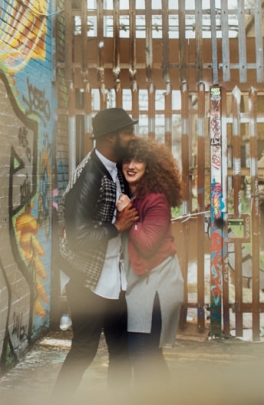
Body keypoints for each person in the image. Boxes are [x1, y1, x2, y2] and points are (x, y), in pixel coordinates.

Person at [53, 108, 140, 396]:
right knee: (84, 351)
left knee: (122, 351)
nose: (132, 137)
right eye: (127, 132)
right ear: (111, 137)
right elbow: (78, 237)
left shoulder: (113, 167)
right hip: (88, 280)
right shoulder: (90, 175)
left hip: (112, 277)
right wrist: (118, 226)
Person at [119, 137, 185, 383]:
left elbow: (147, 245)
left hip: (157, 285)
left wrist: (128, 218)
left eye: (139, 160)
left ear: (150, 165)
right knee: (149, 356)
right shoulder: (137, 196)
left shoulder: (156, 199)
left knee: (141, 355)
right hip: (143, 285)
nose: (131, 165)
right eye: (127, 160)